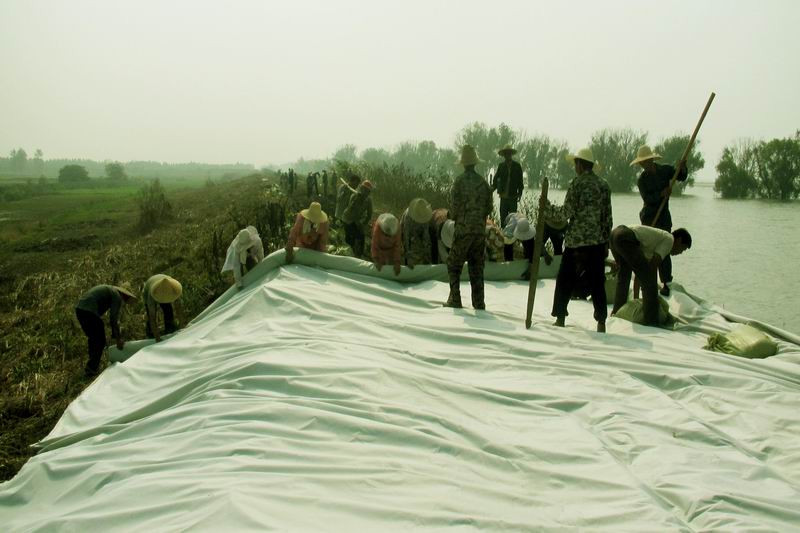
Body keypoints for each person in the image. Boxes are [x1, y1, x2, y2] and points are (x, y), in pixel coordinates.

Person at [544, 148, 613, 332]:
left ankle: (560, 318)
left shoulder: (577, 184)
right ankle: (601, 322)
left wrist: (547, 208)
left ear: (580, 165)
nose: (575, 168)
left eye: (576, 164)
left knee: (565, 279)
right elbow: (607, 218)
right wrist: (606, 242)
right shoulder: (604, 185)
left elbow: (565, 213)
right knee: (597, 283)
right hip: (596, 243)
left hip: (576, 242)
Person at [632, 145, 688, 296]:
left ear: (652, 160)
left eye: (646, 161)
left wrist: (682, 168)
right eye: (642, 163)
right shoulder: (642, 180)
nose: (644, 165)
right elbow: (647, 199)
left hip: (663, 217)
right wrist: (661, 194)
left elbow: (680, 176)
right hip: (649, 218)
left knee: (665, 249)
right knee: (648, 252)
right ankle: (647, 283)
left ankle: (666, 283)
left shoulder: (664, 170)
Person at [610, 225, 692, 326]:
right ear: (679, 240)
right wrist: (652, 296)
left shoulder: (654, 243)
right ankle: (652, 321)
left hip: (614, 236)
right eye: (682, 249)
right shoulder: (669, 240)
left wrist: (636, 300)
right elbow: (651, 268)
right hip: (625, 237)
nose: (680, 253)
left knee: (624, 277)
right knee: (650, 282)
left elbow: (639, 273)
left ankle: (617, 312)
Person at [445, 145, 493, 309]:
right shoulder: (484, 183)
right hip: (479, 232)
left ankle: (455, 299)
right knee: (477, 267)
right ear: (475, 163)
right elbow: (489, 208)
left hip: (463, 231)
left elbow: (454, 210)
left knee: (453, 264)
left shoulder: (459, 182)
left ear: (463, 164)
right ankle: (479, 303)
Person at [75, 284, 136, 376]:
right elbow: (113, 319)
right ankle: (92, 368)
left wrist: (114, 335)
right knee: (100, 340)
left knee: (93, 339)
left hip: (80, 310)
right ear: (124, 295)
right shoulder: (117, 296)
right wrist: (118, 339)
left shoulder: (109, 290)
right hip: (89, 311)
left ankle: (91, 368)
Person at [142, 274, 184, 342]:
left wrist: (182, 327)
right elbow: (152, 317)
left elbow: (179, 309)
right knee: (150, 317)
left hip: (165, 284)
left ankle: (170, 328)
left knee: (168, 310)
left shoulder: (174, 289)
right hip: (149, 288)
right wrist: (157, 338)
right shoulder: (151, 296)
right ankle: (151, 333)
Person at [491, 144, 524, 224]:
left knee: (513, 220)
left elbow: (520, 181)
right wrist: (491, 189)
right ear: (504, 155)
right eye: (506, 153)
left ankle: (512, 232)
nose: (507, 155)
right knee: (503, 218)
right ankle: (503, 231)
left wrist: (520, 193)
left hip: (513, 197)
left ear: (511, 154)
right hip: (503, 197)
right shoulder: (501, 166)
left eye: (509, 153)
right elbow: (496, 179)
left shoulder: (517, 166)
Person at [341, 180, 373, 259]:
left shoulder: (368, 201)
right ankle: (350, 254)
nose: (365, 192)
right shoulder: (354, 196)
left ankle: (359, 254)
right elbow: (351, 211)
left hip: (356, 221)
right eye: (364, 189)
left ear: (369, 192)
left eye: (367, 191)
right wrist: (356, 199)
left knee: (361, 236)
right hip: (347, 219)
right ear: (361, 189)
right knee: (350, 238)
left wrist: (363, 224)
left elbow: (369, 215)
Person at [400, 198, 435, 267]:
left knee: (423, 253)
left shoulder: (425, 214)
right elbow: (406, 236)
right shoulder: (408, 216)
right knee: (406, 252)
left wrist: (427, 256)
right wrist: (408, 255)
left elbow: (426, 236)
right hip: (406, 230)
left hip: (418, 230)